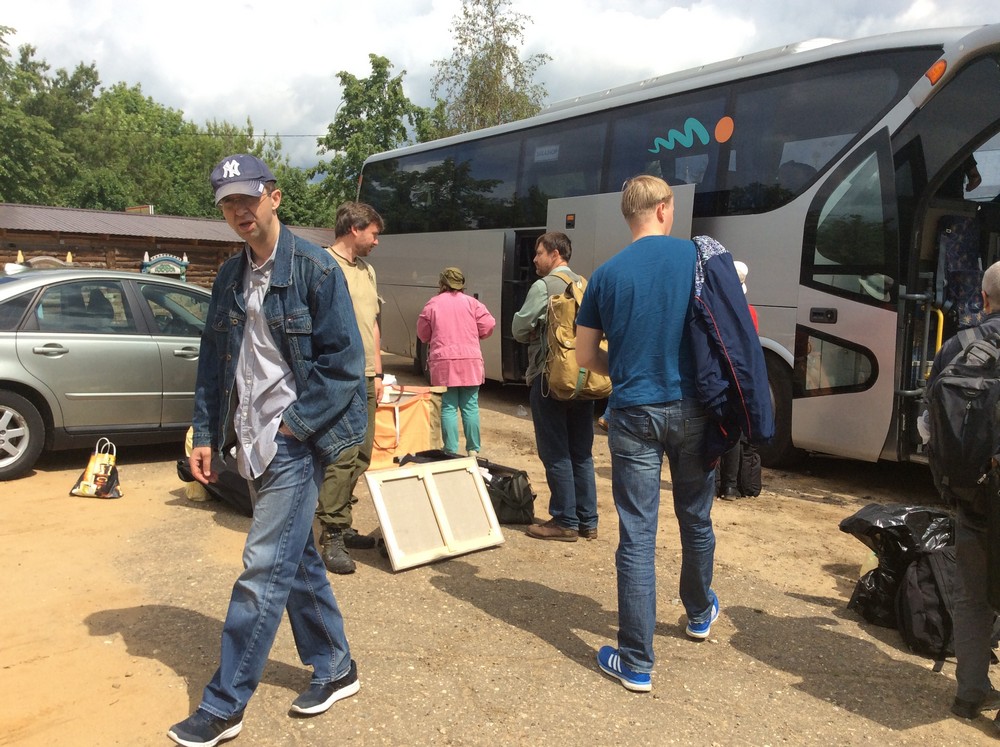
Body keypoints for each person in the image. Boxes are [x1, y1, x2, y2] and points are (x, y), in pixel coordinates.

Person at [168, 154, 366, 747]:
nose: (239, 211)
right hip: (251, 439)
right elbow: (213, 364)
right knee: (293, 557)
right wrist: (206, 434)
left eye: (248, 198)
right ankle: (336, 664)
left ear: (274, 197)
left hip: (296, 440)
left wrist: (291, 428)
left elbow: (344, 367)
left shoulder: (316, 270)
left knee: (261, 569)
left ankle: (223, 704)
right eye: (228, 202)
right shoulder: (230, 276)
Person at [576, 175, 717, 692]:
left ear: (628, 215)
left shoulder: (605, 275)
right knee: (695, 516)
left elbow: (585, 356)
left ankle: (636, 662)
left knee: (637, 533)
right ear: (663, 209)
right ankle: (698, 613)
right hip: (695, 408)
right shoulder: (696, 259)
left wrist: (626, 371)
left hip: (633, 410)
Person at [925, 261, 1000, 727]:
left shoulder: (957, 346)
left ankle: (970, 693)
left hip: (974, 497)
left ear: (984, 299)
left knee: (973, 597)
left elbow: (929, 424)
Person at [512, 231, 599, 542]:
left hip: (550, 378)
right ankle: (588, 520)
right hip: (583, 378)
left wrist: (535, 331)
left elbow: (519, 327)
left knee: (555, 450)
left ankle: (564, 520)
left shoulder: (544, 286)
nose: (534, 259)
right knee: (581, 451)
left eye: (539, 253)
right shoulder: (585, 284)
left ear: (555, 254)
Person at [316, 202, 386, 575]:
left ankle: (342, 522)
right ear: (354, 228)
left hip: (366, 377)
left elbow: (373, 322)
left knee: (361, 455)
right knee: (341, 456)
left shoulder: (368, 270)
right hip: (337, 376)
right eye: (373, 233)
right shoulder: (321, 265)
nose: (377, 241)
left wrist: (378, 372)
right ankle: (331, 534)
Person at [416, 267, 496, 455]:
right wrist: (477, 335)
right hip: (470, 361)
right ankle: (473, 450)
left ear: (442, 284)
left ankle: (450, 450)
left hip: (444, 364)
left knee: (448, 407)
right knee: (470, 407)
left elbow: (423, 334)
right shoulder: (473, 303)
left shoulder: (433, 304)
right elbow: (489, 324)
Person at [717, 260, 759, 500]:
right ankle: (730, 487)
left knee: (714, 427)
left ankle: (714, 483)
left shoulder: (717, 309)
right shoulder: (750, 311)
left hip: (718, 375)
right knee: (734, 430)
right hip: (740, 376)